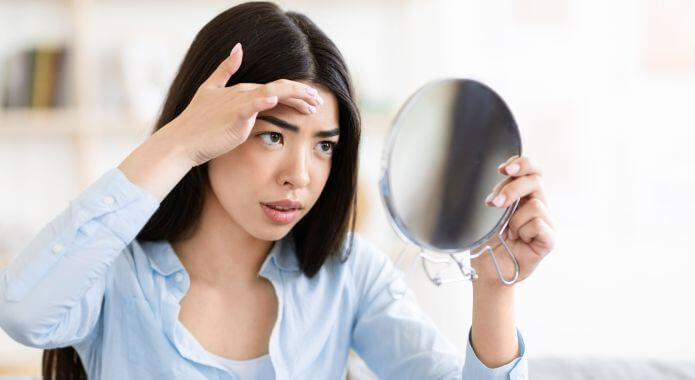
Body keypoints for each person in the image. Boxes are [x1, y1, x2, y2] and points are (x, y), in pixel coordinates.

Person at [0, 2, 555, 379]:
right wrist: (176, 143)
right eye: (272, 134)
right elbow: (22, 310)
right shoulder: (115, 276)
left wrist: (494, 287)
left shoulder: (346, 276)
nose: (301, 175)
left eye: (324, 146)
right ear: (207, 126)